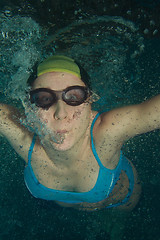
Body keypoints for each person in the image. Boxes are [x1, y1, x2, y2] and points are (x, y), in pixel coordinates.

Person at [0, 55, 159, 212]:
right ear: (29, 107)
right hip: (66, 206)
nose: (61, 113)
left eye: (74, 96)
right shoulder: (21, 131)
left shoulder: (107, 131)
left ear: (90, 100)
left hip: (121, 201)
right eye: (44, 98)